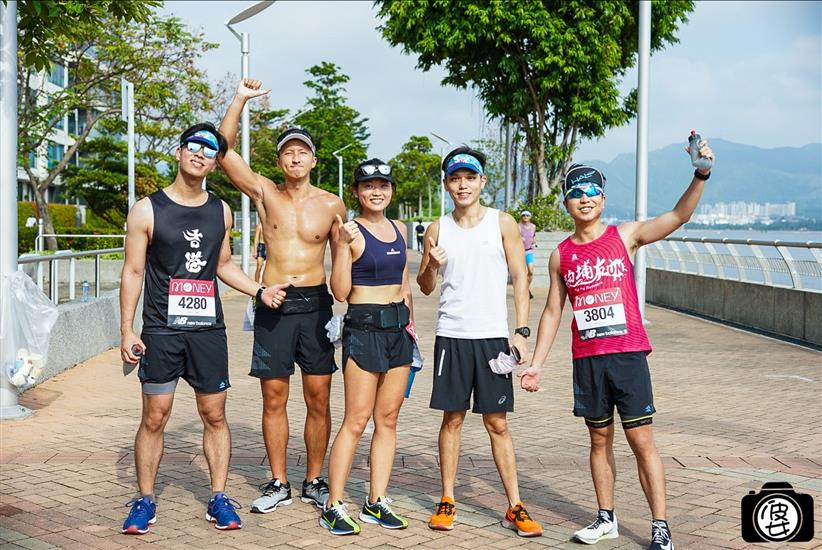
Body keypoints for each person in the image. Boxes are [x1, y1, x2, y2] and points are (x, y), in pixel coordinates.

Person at [520, 140, 715, 550]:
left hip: (627, 356)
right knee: (598, 440)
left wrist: (701, 174)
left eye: (592, 191)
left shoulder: (624, 236)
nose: (584, 198)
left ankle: (660, 526)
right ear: (566, 203)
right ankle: (605, 518)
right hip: (588, 360)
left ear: (603, 199)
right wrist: (536, 363)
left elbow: (678, 216)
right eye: (576, 192)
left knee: (641, 441)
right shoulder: (561, 256)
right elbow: (553, 311)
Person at [119, 123, 288, 534]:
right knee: (155, 416)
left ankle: (218, 497)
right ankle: (145, 499)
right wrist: (127, 330)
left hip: (207, 330)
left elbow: (223, 264)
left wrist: (259, 290)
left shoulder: (221, 210)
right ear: (179, 152)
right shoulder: (146, 209)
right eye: (193, 146)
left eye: (210, 150)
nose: (200, 154)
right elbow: (133, 271)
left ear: (215, 162)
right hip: (161, 329)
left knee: (214, 414)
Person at [218, 79, 346, 514]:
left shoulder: (332, 205)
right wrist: (240, 99)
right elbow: (223, 151)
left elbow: (346, 257)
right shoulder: (265, 192)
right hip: (274, 301)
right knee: (274, 398)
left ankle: (314, 479)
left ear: (313, 160)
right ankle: (278, 481)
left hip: (317, 305)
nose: (295, 158)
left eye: (302, 152)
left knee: (319, 397)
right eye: (288, 152)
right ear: (279, 160)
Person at [417, 146, 543, 538]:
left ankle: (515, 505)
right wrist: (431, 263)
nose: (463, 185)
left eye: (470, 178)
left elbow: (520, 277)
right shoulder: (437, 229)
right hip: (452, 335)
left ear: (482, 181)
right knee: (452, 419)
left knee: (497, 423)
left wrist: (522, 331)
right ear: (446, 184)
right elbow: (425, 286)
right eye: (455, 179)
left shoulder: (502, 223)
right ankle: (447, 499)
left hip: (492, 338)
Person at [319, 159, 415, 536]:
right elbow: (340, 292)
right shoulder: (350, 231)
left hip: (398, 331)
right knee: (356, 420)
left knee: (387, 420)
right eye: (368, 186)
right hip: (364, 327)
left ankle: (376, 501)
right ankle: (333, 504)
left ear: (391, 190)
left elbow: (404, 285)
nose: (377, 191)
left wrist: (411, 329)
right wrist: (343, 248)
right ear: (357, 192)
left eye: (383, 185)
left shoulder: (399, 229)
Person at [518, 211, 537, 299]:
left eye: (527, 215)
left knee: (530, 271)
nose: (525, 216)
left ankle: (526, 289)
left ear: (530, 217)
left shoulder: (533, 227)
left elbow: (534, 236)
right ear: (521, 217)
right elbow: (514, 237)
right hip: (520, 252)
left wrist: (534, 243)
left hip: (529, 251)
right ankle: (524, 291)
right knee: (522, 273)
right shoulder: (518, 226)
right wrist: (519, 238)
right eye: (523, 215)